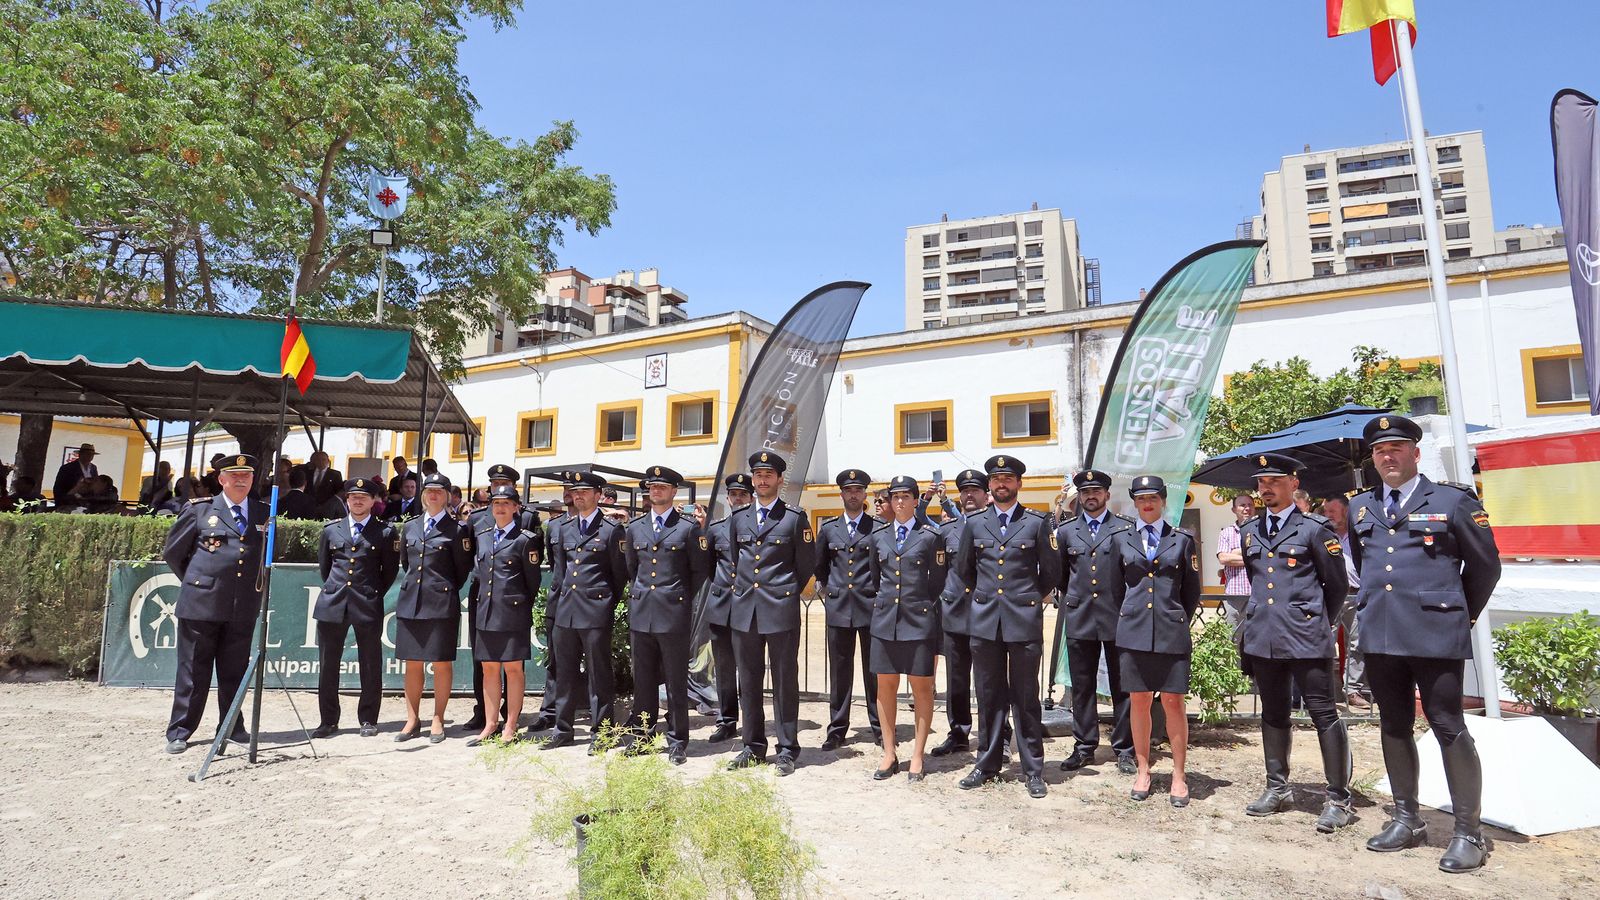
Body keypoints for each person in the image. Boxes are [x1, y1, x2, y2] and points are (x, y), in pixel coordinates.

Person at [1352, 414, 1501, 873]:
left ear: (1415, 454)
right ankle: (1406, 818)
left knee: (1447, 725)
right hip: (1381, 634)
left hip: (1436, 635)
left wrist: (1459, 616)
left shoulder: (1453, 501)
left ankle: (1468, 833)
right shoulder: (1362, 506)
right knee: (1394, 726)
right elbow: (1367, 565)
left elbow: (1485, 567)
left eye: (1396, 448)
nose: (1388, 456)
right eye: (1380, 451)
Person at [1235, 454, 1353, 832]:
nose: (1265, 488)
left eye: (1273, 481)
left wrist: (1316, 621)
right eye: (1261, 482)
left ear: (1293, 483)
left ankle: (1339, 799)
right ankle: (1278, 786)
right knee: (1272, 712)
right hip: (1264, 636)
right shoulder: (1250, 530)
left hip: (1305, 637)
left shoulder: (1315, 529)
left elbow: (1336, 586)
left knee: (1323, 714)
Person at [953, 455, 1062, 799]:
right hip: (985, 623)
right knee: (988, 697)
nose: (1002, 484)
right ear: (990, 485)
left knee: (1026, 697)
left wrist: (1027, 598)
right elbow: (965, 570)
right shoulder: (974, 523)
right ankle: (987, 763)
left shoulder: (1036, 523)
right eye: (996, 479)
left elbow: (1052, 571)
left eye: (1008, 479)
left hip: (1023, 620)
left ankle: (1033, 769)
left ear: (1019, 484)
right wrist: (988, 599)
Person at [159, 454, 268, 753]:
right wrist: (199, 583)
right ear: (222, 480)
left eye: (246, 475)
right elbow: (173, 553)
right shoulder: (199, 510)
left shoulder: (263, 512)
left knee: (235, 670)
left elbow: (262, 559)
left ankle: (232, 725)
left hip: (242, 605)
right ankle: (181, 730)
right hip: (201, 604)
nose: (241, 480)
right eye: (234, 475)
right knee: (194, 670)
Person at [725, 451, 817, 776]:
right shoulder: (738, 519)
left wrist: (783, 591)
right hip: (745, 612)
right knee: (748, 681)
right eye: (758, 474)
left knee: (784, 682)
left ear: (779, 479)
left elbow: (806, 564)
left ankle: (787, 749)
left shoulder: (794, 518)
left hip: (780, 610)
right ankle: (752, 746)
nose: (762, 479)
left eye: (769, 474)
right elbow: (738, 560)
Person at [1116, 475, 1201, 807]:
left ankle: (1179, 776)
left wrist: (1171, 617)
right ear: (1135, 503)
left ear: (1163, 500)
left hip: (1170, 632)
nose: (1147, 503)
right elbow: (1114, 589)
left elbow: (1191, 592)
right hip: (1133, 632)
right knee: (1138, 701)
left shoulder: (1182, 540)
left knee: (1173, 703)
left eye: (1153, 497)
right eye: (1141, 499)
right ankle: (1143, 770)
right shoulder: (1122, 540)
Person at [622, 465, 709, 764]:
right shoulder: (635, 527)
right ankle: (644, 736)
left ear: (674, 492)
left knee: (675, 681)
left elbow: (698, 571)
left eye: (662, 487)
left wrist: (678, 597)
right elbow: (632, 569)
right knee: (643, 679)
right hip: (642, 612)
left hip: (673, 613)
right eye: (652, 487)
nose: (656, 491)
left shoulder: (687, 528)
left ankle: (677, 740)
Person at [1054, 468, 1138, 774]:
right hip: (1080, 616)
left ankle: (1125, 748)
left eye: (1096, 492)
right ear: (1080, 497)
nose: (1091, 496)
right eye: (1085, 492)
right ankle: (1084, 746)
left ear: (1106, 495)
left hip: (1116, 616)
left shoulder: (1124, 529)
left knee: (1122, 685)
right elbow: (1061, 576)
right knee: (1082, 686)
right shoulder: (1066, 532)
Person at [864, 476, 946, 781]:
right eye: (894, 496)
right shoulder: (879, 537)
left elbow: (937, 581)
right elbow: (876, 578)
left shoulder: (929, 537)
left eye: (905, 496)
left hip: (918, 620)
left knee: (921, 687)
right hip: (885, 621)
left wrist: (916, 603)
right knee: (885, 687)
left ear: (915, 500)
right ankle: (889, 753)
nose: (899, 502)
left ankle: (917, 756)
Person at [545, 470, 627, 751]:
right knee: (564, 673)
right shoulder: (563, 528)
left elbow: (619, 575)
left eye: (584, 492)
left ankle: (602, 732)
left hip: (595, 610)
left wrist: (604, 603)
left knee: (598, 674)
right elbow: (559, 572)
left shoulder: (610, 530)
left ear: (598, 495)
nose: (578, 496)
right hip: (566, 610)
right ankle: (562, 729)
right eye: (575, 492)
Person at [312, 478, 400, 739]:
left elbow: (389, 572)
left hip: (366, 603)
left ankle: (368, 719)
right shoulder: (331, 530)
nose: (357, 501)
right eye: (353, 497)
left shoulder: (385, 532)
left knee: (370, 664)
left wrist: (370, 594)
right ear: (347, 499)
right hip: (333, 603)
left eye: (363, 497)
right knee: (328, 664)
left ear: (374, 501)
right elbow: (325, 568)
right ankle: (328, 720)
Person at [463, 464, 543, 735]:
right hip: (486, 611)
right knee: (488, 669)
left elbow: (531, 582)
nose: (499, 508)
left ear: (515, 508)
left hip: (512, 612)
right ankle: (490, 723)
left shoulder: (525, 540)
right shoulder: (483, 536)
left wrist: (517, 604)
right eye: (496, 503)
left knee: (513, 669)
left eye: (506, 503)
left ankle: (510, 724)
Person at [932, 468, 1006, 758]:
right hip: (954, 613)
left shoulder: (993, 527)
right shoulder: (946, 531)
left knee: (991, 680)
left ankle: (1000, 735)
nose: (970, 495)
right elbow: (938, 572)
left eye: (975, 490)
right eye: (965, 491)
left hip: (986, 613)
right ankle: (959, 733)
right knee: (957, 679)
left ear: (986, 494)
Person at [394, 473, 472, 744]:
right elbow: (406, 563)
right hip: (411, 602)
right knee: (412, 663)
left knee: (440, 663)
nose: (434, 495)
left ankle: (438, 717)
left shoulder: (458, 530)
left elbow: (461, 571)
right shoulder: (411, 527)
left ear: (448, 495)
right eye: (429, 491)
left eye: (439, 491)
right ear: (423, 495)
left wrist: (440, 589)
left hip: (440, 603)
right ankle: (413, 718)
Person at [813, 469, 882, 750]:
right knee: (840, 672)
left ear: (865, 494)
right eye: (848, 490)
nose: (853, 494)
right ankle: (837, 729)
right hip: (839, 608)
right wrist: (829, 592)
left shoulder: (877, 528)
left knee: (873, 671)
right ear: (841, 494)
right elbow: (820, 567)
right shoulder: (829, 529)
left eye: (858, 490)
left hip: (869, 607)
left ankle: (879, 727)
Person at [701, 473, 754, 744]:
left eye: (742, 494)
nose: (737, 499)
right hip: (722, 605)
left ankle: (752, 720)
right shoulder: (716, 528)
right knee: (723, 666)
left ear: (751, 497)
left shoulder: (756, 525)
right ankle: (727, 720)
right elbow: (710, 567)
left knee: (748, 666)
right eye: (733, 495)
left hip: (748, 606)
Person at [1320, 493, 1369, 709]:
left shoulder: (1358, 535)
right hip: (1328, 594)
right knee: (1324, 642)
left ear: (1345, 511)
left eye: (1332, 511)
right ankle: (1321, 691)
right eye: (1325, 511)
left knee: (1356, 643)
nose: (1327, 515)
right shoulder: (1321, 534)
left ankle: (1352, 690)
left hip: (1355, 594)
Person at [1215, 494, 1256, 624]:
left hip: (1256, 596)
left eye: (1250, 505)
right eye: (1242, 505)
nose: (1247, 508)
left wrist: (1236, 552)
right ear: (1234, 510)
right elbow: (1223, 558)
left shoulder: (1262, 532)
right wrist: (1251, 557)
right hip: (1233, 597)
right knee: (1233, 640)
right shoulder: (1226, 533)